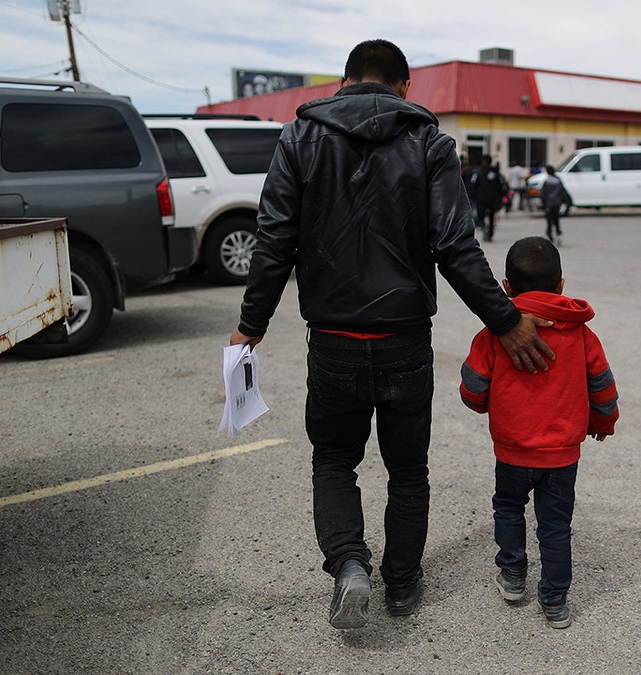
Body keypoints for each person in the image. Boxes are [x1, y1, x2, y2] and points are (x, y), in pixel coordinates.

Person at [229, 39, 556, 630]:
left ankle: (351, 564)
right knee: (408, 471)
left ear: (346, 80)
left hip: (331, 338)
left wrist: (251, 325)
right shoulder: (428, 142)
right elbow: (456, 245)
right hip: (404, 338)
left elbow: (273, 239)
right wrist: (504, 320)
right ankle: (401, 584)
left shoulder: (299, 139)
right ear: (405, 87)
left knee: (334, 461)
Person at [459, 237, 620, 630]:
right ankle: (554, 600)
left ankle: (513, 576)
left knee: (509, 507)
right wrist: (602, 422)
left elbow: (472, 388)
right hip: (563, 453)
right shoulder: (582, 334)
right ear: (561, 285)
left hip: (512, 448)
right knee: (555, 524)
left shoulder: (495, 333)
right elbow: (602, 383)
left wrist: (488, 407)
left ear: (506, 287)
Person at [474, 154, 507, 241]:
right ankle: (490, 231)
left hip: (481, 199)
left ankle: (484, 229)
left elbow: (474, 184)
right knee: (491, 216)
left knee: (481, 215)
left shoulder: (479, 172)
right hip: (492, 199)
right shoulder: (495, 172)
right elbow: (500, 185)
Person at [539, 165, 570, 245]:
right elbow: (564, 193)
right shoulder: (558, 181)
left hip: (549, 205)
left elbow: (542, 194)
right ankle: (558, 234)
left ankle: (550, 237)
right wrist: (564, 202)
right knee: (556, 221)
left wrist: (543, 203)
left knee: (549, 222)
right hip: (557, 204)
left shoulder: (546, 182)